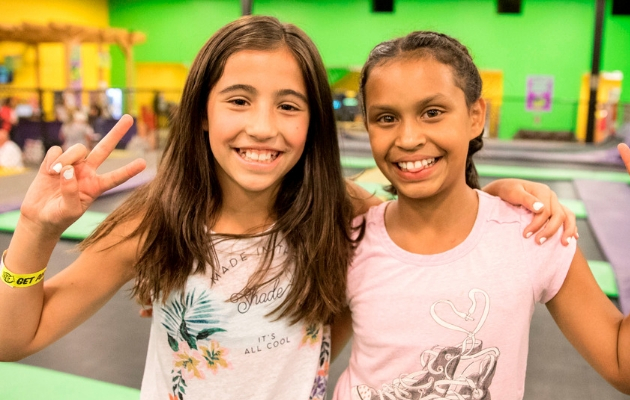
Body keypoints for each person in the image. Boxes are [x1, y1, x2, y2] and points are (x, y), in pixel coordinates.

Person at [0, 17, 574, 400]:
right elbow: (15, 339)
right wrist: (34, 231)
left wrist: (499, 192)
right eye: (239, 101)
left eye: (289, 106)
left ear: (313, 122)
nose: (263, 127)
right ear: (202, 113)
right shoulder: (156, 219)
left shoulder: (335, 209)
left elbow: (422, 226)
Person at [332, 31, 630, 399]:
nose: (408, 137)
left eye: (432, 112)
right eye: (386, 118)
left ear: (476, 115)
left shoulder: (530, 231)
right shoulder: (349, 238)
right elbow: (302, 357)